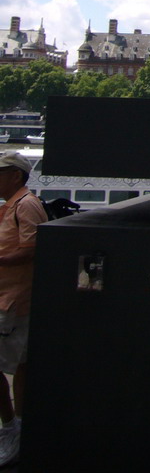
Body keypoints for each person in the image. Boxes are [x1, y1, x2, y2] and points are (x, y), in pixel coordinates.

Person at [0, 151, 46, 467]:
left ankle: (10, 428)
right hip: (13, 299)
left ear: (15, 175)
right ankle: (19, 429)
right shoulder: (14, 205)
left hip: (13, 301)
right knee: (21, 366)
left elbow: (32, 249)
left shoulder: (26, 205)